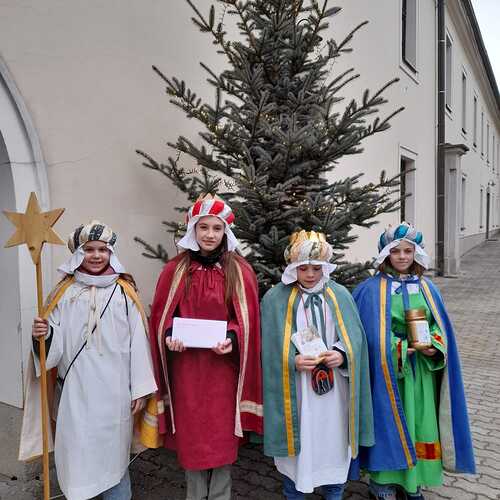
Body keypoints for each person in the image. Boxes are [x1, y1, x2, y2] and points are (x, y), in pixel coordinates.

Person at [22, 220, 157, 500]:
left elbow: (138, 342)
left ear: (111, 253)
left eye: (103, 250)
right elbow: (53, 349)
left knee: (114, 459)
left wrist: (140, 389)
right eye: (89, 250)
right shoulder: (65, 293)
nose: (96, 255)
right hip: (76, 393)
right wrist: (43, 335)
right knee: (77, 453)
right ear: (77, 253)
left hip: (115, 393)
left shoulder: (124, 293)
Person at [148, 193, 263, 500]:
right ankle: (195, 495)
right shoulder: (175, 270)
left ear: (225, 231)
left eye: (216, 228)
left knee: (221, 437)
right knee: (193, 438)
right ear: (193, 230)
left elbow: (247, 320)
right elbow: (162, 316)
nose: (210, 234)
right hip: (187, 370)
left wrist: (233, 338)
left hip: (222, 371)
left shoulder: (239, 270)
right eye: (204, 227)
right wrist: (170, 335)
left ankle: (221, 496)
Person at [353, 222, 475, 500]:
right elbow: (366, 335)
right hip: (387, 375)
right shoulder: (370, 290)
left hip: (420, 372)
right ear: (385, 254)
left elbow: (438, 326)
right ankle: (382, 483)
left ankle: (414, 482)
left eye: (408, 251)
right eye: (396, 251)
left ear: (416, 253)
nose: (402, 256)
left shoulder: (427, 288)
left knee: (419, 423)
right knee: (387, 424)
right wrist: (398, 348)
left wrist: (434, 346)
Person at [261, 230, 374, 500]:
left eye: (316, 268)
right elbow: (267, 345)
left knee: (333, 443)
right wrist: (291, 360)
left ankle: (334, 492)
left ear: (325, 267)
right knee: (299, 449)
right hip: (298, 390)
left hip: (335, 393)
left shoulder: (340, 294)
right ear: (293, 268)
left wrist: (342, 354)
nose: (310, 274)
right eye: (303, 268)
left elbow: (355, 338)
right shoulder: (276, 299)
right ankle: (293, 492)